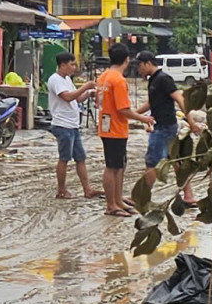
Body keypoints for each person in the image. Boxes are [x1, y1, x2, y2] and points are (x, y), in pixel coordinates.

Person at [96, 44, 153, 217]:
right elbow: (123, 109)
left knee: (119, 166)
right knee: (112, 167)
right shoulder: (119, 80)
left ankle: (118, 200)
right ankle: (111, 205)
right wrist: (143, 118)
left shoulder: (103, 77)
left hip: (106, 126)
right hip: (115, 128)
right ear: (127, 60)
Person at [136, 51, 196, 206]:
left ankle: (142, 198)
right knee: (176, 162)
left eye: (139, 65)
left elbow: (180, 99)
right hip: (164, 126)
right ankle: (189, 196)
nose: (138, 69)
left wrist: (191, 122)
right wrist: (133, 114)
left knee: (152, 162)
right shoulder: (153, 80)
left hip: (164, 127)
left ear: (148, 63)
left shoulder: (163, 79)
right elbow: (151, 103)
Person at [45, 53, 101, 200]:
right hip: (62, 124)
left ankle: (87, 189)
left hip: (73, 124)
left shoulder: (67, 79)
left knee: (80, 158)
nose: (74, 67)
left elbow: (76, 99)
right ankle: (61, 189)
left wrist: (89, 93)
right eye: (72, 64)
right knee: (64, 158)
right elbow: (68, 97)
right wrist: (86, 86)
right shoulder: (55, 80)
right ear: (63, 65)